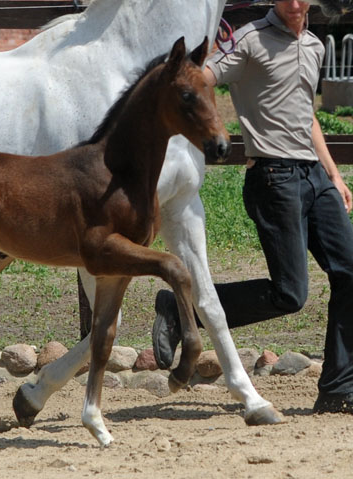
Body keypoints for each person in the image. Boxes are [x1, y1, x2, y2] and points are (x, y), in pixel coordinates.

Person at [152, 0, 353, 414]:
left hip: (315, 176)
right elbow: (195, 80)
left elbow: (306, 114)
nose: (295, 4)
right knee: (290, 294)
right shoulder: (248, 41)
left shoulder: (314, 45)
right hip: (274, 179)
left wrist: (333, 173)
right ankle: (180, 306)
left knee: (351, 273)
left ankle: (337, 388)